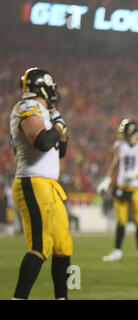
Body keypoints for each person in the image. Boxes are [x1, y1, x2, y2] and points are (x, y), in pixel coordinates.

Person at [10, 67, 72, 299]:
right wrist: (58, 126)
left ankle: (62, 297)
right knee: (40, 245)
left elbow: (61, 149)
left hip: (50, 186)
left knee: (63, 246)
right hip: (32, 182)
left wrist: (61, 129)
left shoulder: (44, 111)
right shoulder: (27, 107)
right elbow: (44, 141)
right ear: (42, 87)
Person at [97, 119, 138, 263]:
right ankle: (117, 251)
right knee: (121, 220)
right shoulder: (120, 146)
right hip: (122, 186)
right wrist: (107, 179)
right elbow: (115, 163)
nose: (121, 136)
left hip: (137, 187)